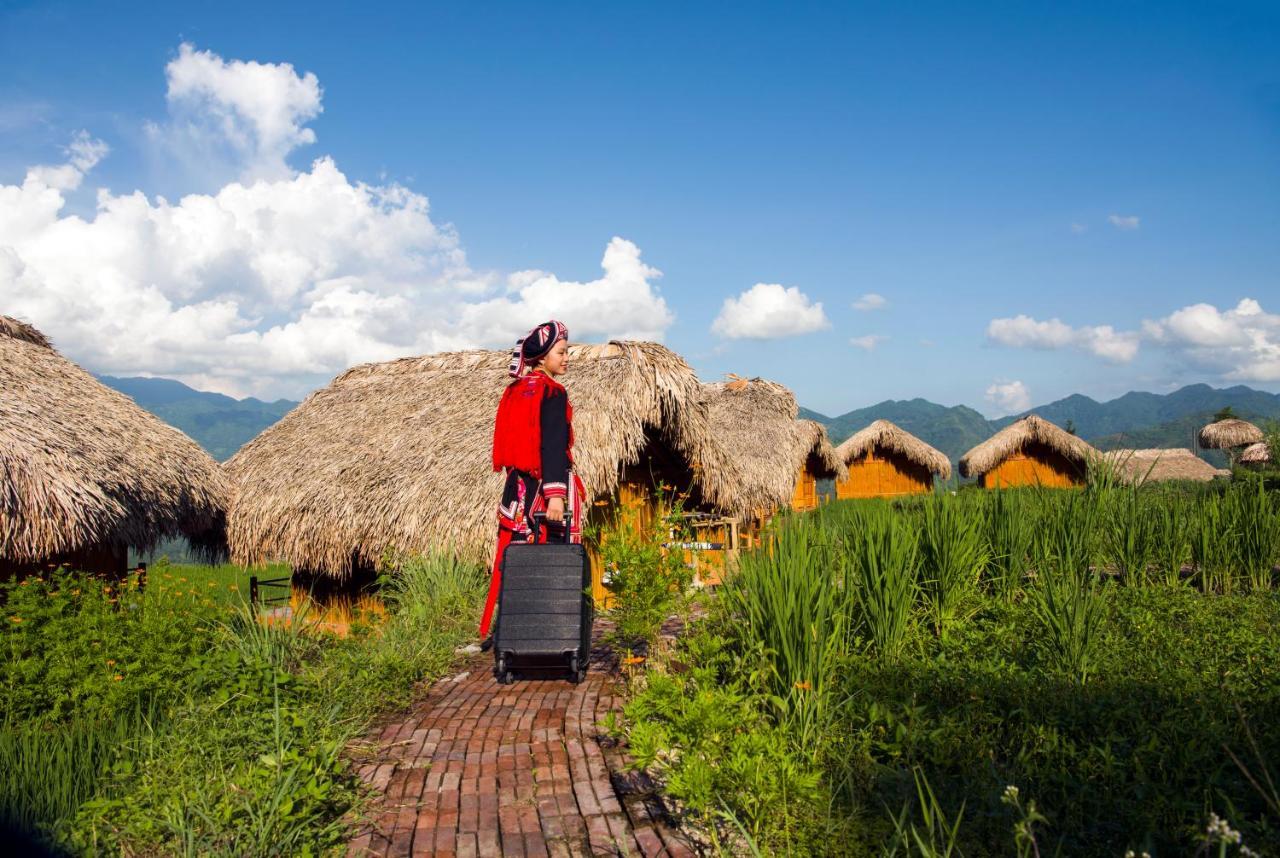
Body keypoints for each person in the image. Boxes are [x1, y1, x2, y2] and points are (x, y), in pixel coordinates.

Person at [478, 320, 586, 644]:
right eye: (562, 352)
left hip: (517, 492)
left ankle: (513, 632)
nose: (567, 358)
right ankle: (546, 635)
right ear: (543, 356)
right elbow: (551, 445)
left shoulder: (517, 390)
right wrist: (556, 495)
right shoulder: (552, 391)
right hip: (541, 493)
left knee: (517, 564)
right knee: (548, 565)